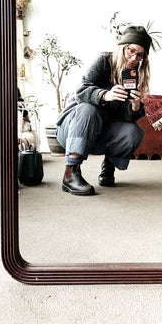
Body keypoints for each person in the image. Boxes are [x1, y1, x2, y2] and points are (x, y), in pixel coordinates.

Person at [56, 26, 152, 196]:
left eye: (140, 55)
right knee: (88, 109)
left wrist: (135, 106)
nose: (134, 58)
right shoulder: (103, 61)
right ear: (122, 47)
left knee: (133, 132)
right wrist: (106, 95)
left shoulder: (133, 74)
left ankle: (108, 167)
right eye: (131, 51)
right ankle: (70, 174)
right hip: (72, 129)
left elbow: (126, 117)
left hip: (99, 134)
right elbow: (80, 91)